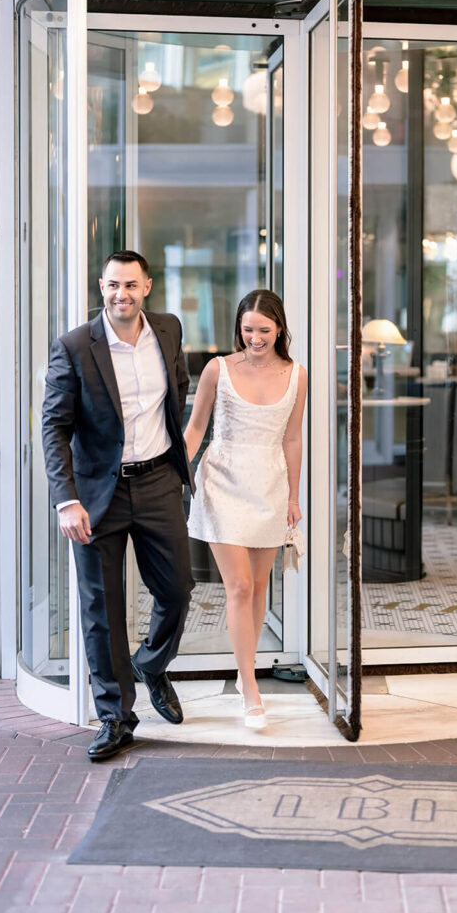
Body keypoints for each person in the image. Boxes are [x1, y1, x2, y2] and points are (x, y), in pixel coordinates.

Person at [41, 251, 195, 761]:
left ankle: (151, 663)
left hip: (156, 484)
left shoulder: (168, 331)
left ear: (147, 285)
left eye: (130, 284)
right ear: (100, 286)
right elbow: (55, 427)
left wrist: (176, 461)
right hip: (93, 495)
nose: (120, 294)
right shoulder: (74, 346)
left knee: (177, 589)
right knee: (101, 610)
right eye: (112, 285)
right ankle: (115, 717)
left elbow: (178, 389)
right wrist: (66, 499)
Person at [185, 290, 307, 729]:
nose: (255, 338)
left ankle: (243, 669)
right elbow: (196, 426)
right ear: (239, 327)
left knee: (258, 587)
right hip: (222, 480)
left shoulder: (297, 375)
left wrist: (294, 497)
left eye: (264, 330)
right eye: (248, 329)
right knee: (237, 586)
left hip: (270, 486)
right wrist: (177, 472)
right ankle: (250, 685)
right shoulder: (218, 368)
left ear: (280, 329)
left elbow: (292, 438)